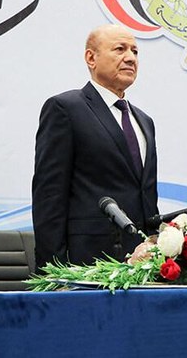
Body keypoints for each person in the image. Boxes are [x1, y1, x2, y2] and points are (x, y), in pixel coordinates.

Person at [32, 24, 158, 269]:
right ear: (91, 58)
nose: (130, 58)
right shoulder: (66, 109)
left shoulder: (144, 121)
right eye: (120, 49)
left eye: (135, 51)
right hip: (87, 261)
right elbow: (49, 194)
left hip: (144, 263)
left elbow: (145, 195)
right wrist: (53, 269)